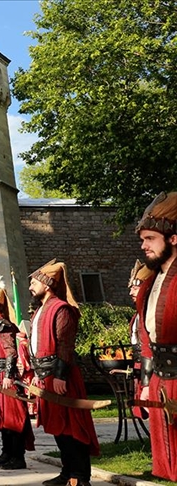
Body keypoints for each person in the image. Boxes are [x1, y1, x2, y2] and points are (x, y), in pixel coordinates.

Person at [29, 259, 99, 486]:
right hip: (46, 376)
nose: (31, 286)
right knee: (59, 429)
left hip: (61, 377)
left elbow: (65, 344)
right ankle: (67, 472)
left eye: (35, 282)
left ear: (47, 284)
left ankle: (80, 476)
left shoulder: (61, 309)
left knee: (72, 428)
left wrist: (60, 374)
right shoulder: (40, 310)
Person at [135, 192, 177, 482]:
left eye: (150, 238)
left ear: (173, 238)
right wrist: (148, 383)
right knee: (165, 448)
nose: (144, 245)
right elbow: (148, 338)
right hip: (162, 376)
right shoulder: (149, 283)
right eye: (143, 239)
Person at [0, 274, 34, 471]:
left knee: (12, 417)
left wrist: (9, 376)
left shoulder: (3, 326)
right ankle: (6, 452)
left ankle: (18, 457)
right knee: (1, 417)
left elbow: (11, 353)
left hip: (4, 377)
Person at [125, 260, 154, 419]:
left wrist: (147, 382)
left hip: (154, 370)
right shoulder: (137, 315)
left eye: (135, 288)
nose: (131, 293)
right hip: (140, 366)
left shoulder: (149, 314)